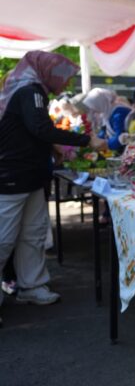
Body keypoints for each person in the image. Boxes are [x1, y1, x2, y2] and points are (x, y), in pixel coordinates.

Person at [0, 51, 107, 315]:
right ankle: (28, 285)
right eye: (65, 78)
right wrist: (86, 140)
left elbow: (32, 131)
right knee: (3, 239)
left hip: (32, 177)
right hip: (13, 176)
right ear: (48, 73)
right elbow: (40, 128)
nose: (67, 85)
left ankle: (31, 286)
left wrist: (53, 150)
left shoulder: (33, 92)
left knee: (33, 234)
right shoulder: (31, 91)